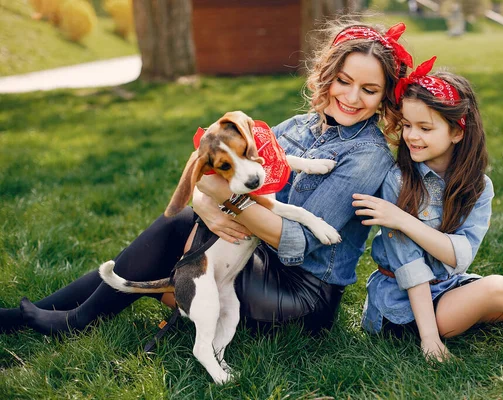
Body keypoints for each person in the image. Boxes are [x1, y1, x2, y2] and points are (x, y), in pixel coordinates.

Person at [1, 20, 413, 337]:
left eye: (369, 89)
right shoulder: (302, 126)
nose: (352, 97)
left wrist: (222, 199)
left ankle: (73, 319)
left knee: (177, 231)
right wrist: (204, 203)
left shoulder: (368, 155)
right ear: (328, 75)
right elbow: (216, 169)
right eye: (344, 81)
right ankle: (37, 313)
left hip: (300, 296)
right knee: (184, 223)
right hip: (255, 259)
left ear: (384, 97)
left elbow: (296, 242)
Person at [353, 56, 503, 361]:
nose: (412, 136)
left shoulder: (478, 186)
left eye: (425, 128)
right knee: (497, 288)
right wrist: (429, 339)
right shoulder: (398, 181)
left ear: (457, 132)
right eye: (407, 125)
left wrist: (404, 220)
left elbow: (460, 257)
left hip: (449, 288)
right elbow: (410, 268)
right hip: (403, 313)